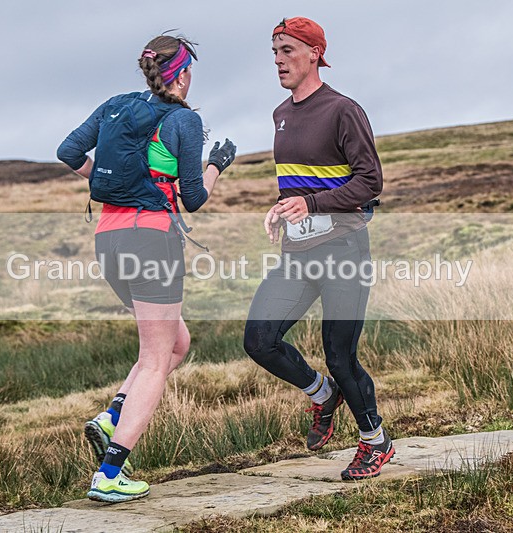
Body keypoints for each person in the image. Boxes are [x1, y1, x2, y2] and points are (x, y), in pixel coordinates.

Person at [57, 34, 236, 502]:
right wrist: (217, 164)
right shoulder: (182, 119)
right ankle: (110, 473)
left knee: (176, 341)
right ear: (181, 74)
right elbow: (193, 198)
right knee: (157, 358)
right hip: (152, 240)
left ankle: (111, 416)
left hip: (109, 241)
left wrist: (102, 180)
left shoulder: (115, 104)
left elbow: (68, 152)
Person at [243, 17, 393, 480]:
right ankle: (322, 395)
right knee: (259, 340)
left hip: (344, 250)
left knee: (340, 355)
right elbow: (301, 185)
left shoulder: (342, 110)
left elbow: (370, 182)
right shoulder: (280, 114)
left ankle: (375, 441)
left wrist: (308, 203)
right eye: (274, 51)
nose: (278, 60)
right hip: (299, 254)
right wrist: (282, 210)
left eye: (287, 50)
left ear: (314, 53)